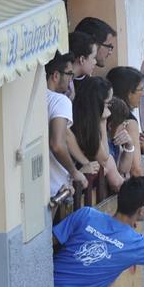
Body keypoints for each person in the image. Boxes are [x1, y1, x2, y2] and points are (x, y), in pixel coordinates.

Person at [45, 53, 93, 206]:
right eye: (69, 74)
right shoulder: (60, 101)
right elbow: (57, 144)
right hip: (55, 189)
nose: (71, 80)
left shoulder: (37, 98)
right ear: (56, 76)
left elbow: (66, 135)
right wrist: (74, 172)